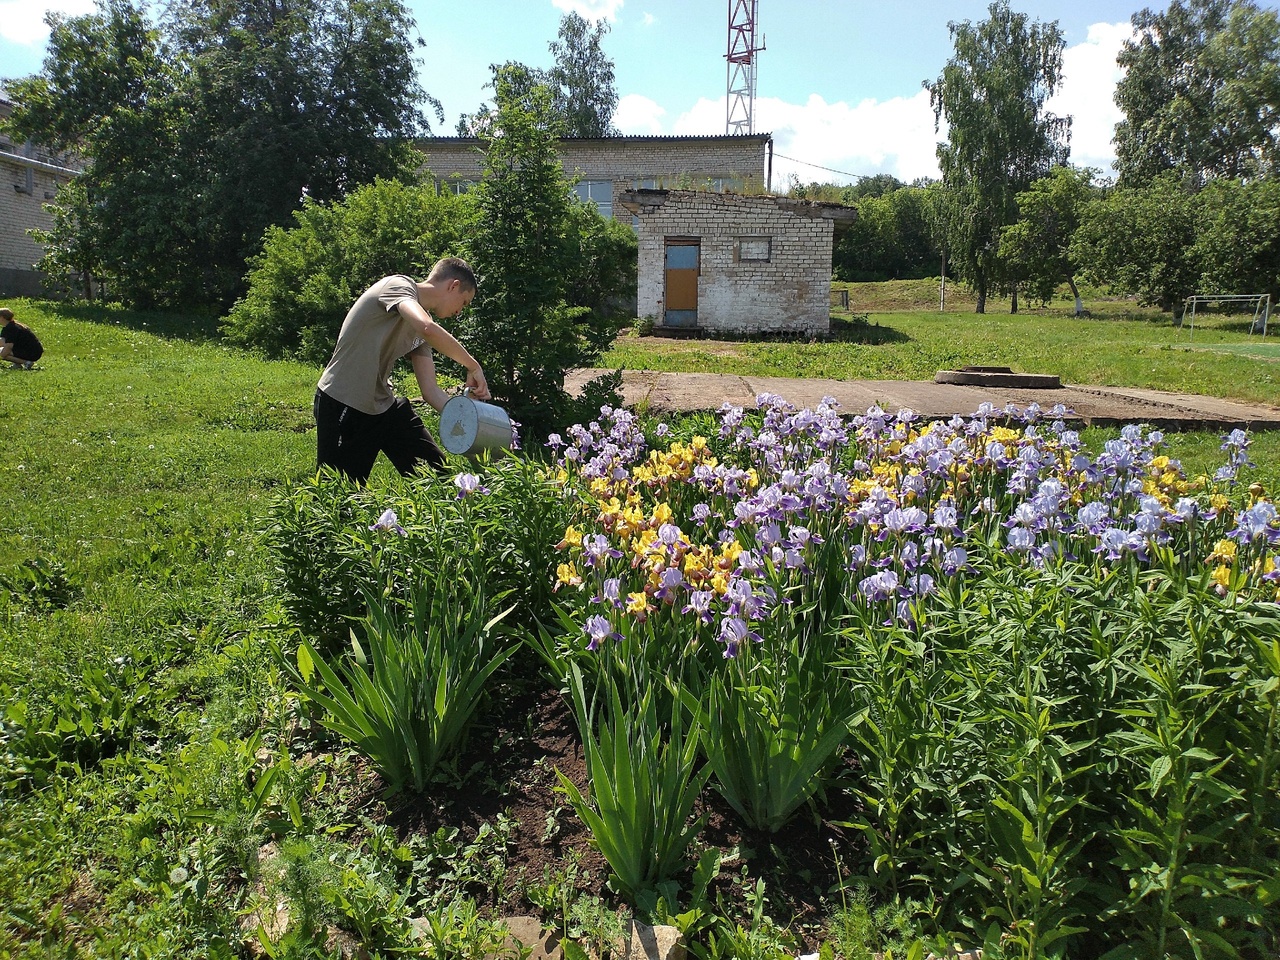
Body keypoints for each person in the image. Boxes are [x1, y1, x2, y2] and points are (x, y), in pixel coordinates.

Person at [314, 257, 490, 484]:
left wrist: (469, 421)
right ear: (453, 285)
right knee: (336, 500)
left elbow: (431, 392)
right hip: (343, 403)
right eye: (464, 302)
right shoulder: (398, 286)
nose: (460, 311)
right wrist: (473, 365)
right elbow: (427, 328)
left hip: (383, 408)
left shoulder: (421, 331)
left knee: (437, 479)